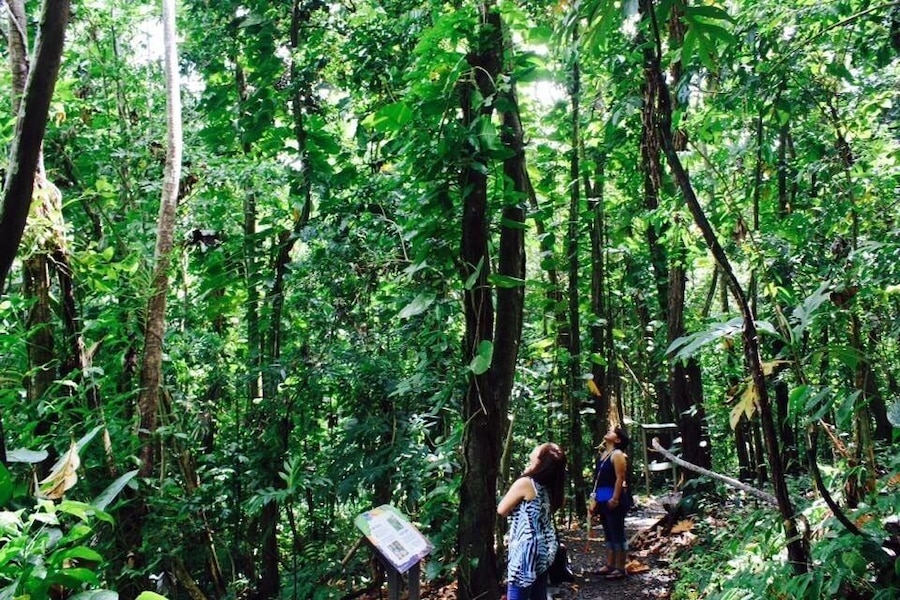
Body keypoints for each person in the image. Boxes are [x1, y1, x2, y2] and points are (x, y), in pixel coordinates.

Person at [497, 442, 567, 600]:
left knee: (517, 594)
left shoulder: (526, 483)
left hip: (526, 548)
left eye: (540, 447)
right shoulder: (551, 485)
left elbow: (502, 509)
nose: (536, 447)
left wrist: (527, 472)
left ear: (540, 460)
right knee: (538, 593)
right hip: (545, 546)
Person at [592, 426, 632, 580]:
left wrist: (615, 498)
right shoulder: (603, 454)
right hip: (602, 499)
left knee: (617, 533)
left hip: (614, 500)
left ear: (618, 439)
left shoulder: (617, 454)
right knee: (608, 533)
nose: (608, 431)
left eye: (612, 431)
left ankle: (620, 568)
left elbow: (620, 478)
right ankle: (609, 565)